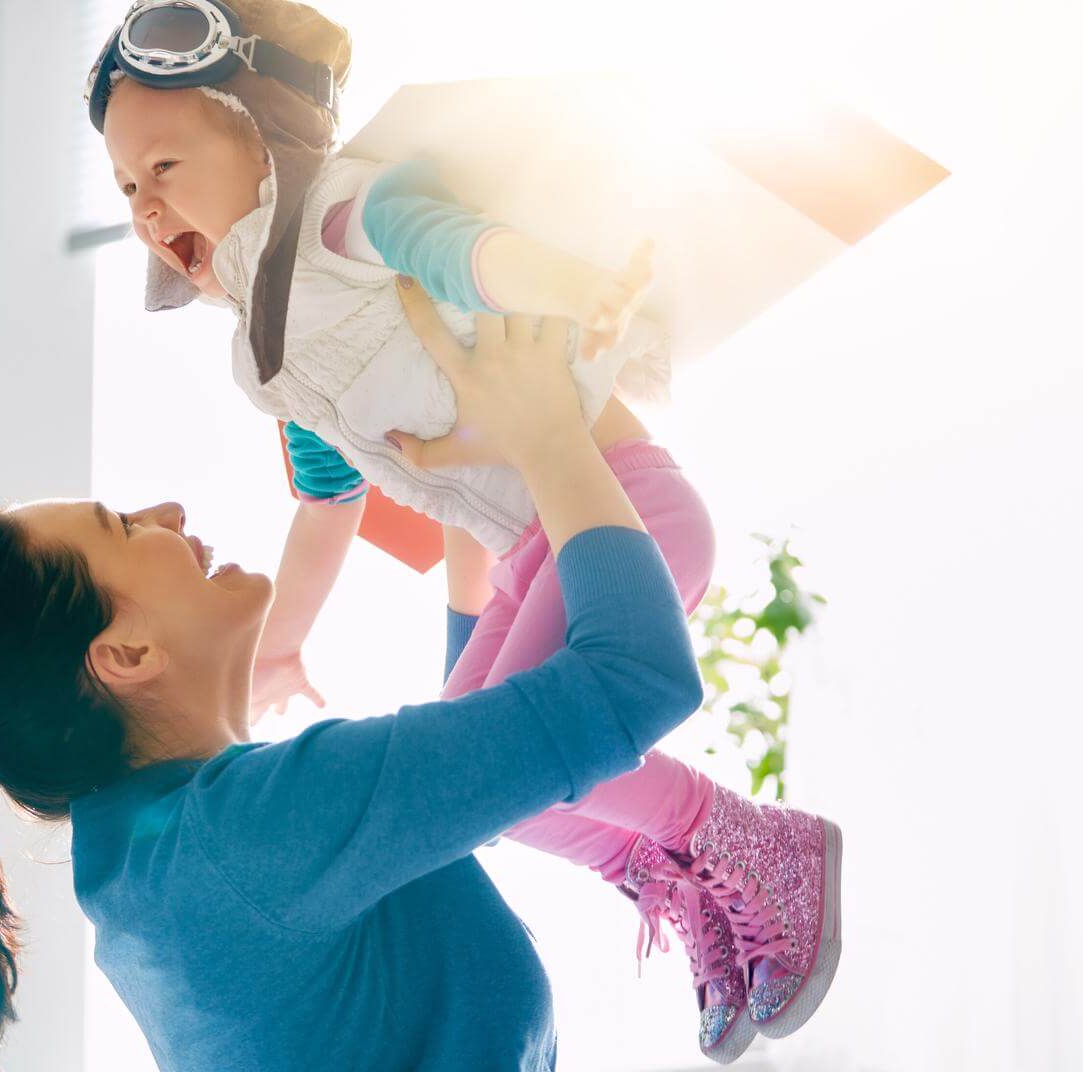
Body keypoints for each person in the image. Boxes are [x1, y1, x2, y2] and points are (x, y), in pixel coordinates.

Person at [83, 1, 842, 1058]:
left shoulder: (337, 219)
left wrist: (566, 285)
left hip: (621, 505)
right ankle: (672, 873)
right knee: (485, 791)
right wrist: (286, 643)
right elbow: (326, 500)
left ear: (259, 127)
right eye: (126, 188)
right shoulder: (270, 355)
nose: (145, 205)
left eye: (163, 165)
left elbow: (447, 246)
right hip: (543, 546)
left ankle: (751, 844)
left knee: (521, 754)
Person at [0, 288, 837, 1072]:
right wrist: (548, 436)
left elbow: (458, 764)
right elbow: (632, 676)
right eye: (124, 527)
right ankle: (739, 839)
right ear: (125, 656)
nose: (170, 509)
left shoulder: (165, 863)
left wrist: (460, 509)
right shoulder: (252, 835)